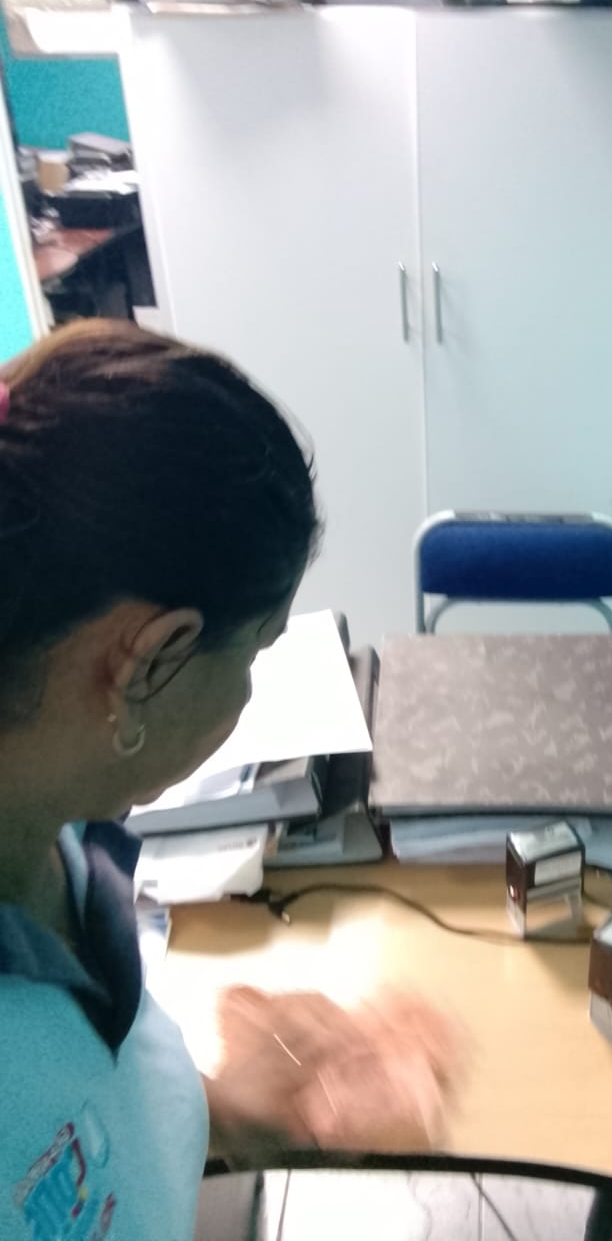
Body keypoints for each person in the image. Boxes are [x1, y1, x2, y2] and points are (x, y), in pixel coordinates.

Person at [0, 319, 323, 1239]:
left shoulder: (60, 837)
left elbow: (86, 1115)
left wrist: (218, 1108)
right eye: (255, 651)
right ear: (147, 659)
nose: (251, 691)